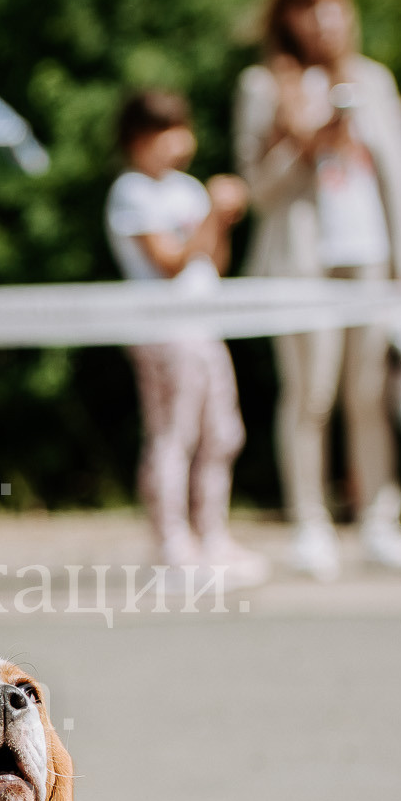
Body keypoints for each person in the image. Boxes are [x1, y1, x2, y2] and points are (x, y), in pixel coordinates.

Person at [234, 0, 401, 580]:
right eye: (309, 5)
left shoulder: (373, 79)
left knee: (369, 394)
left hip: (367, 257)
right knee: (310, 394)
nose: (324, 17)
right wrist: (304, 140)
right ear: (286, 16)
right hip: (300, 260)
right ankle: (309, 522)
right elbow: (256, 191)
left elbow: (400, 181)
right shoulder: (264, 86)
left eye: (334, 3)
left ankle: (379, 520)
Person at [104, 88, 265, 585]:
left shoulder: (187, 189)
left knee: (222, 432)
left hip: (203, 326)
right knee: (173, 436)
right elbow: (169, 262)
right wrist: (214, 214)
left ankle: (211, 533)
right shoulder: (131, 191)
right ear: (138, 139)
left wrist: (224, 220)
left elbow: (213, 262)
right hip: (162, 330)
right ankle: (172, 541)